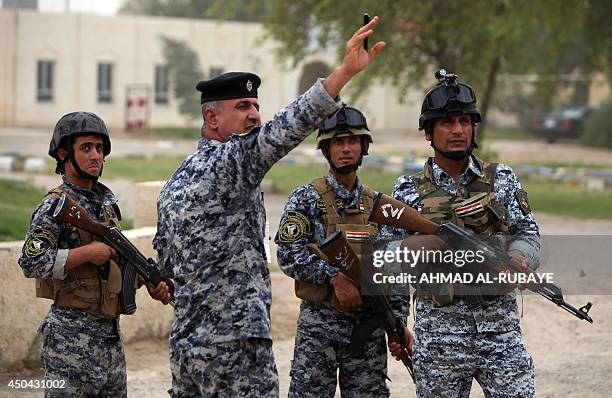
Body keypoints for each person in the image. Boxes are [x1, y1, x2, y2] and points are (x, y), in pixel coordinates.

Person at [153, 16, 386, 397]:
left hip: (187, 348)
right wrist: (342, 73)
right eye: (242, 106)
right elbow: (285, 129)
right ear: (211, 116)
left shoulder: (177, 180)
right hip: (236, 347)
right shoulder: (230, 163)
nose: (254, 115)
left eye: (256, 106)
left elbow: (166, 267)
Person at [385, 69, 540, 397]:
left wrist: (520, 256)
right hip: (439, 338)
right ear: (429, 132)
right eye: (446, 123)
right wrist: (396, 327)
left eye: (464, 122)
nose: (457, 130)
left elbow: (527, 230)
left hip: (500, 332)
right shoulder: (406, 190)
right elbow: (384, 262)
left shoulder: (502, 179)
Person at [18, 111, 171, 397]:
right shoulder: (55, 207)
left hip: (110, 339)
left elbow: (111, 269)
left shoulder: (108, 206)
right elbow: (30, 262)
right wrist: (85, 252)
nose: (95, 156)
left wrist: (143, 281)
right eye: (86, 148)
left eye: (100, 149)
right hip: (70, 340)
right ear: (64, 154)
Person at [275, 106, 410, 397]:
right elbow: (287, 254)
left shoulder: (380, 207)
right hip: (318, 330)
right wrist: (334, 277)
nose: (346, 148)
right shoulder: (307, 198)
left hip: (368, 334)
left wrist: (398, 325)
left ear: (364, 147)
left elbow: (394, 270)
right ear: (325, 149)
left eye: (352, 141)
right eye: (338, 142)